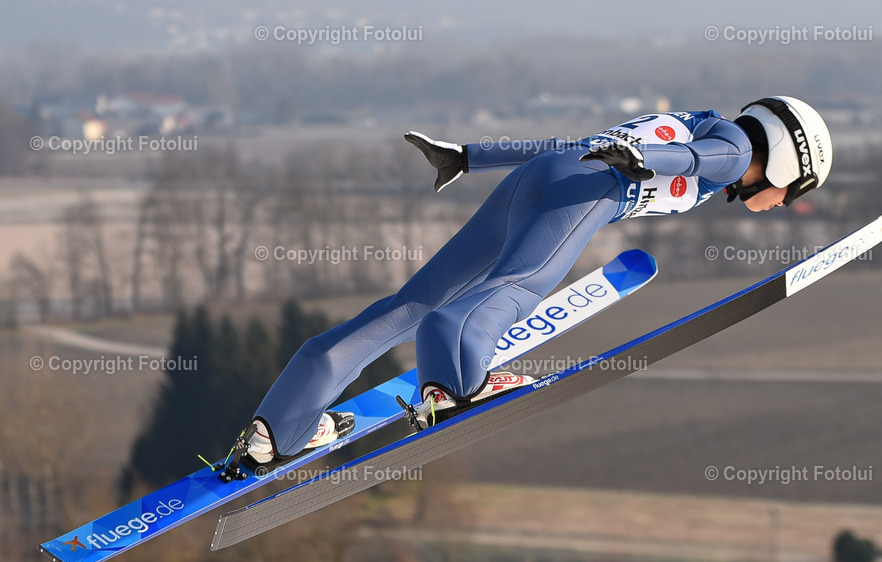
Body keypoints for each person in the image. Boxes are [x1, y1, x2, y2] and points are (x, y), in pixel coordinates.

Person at [241, 96, 833, 462]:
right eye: (794, 190)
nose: (783, 203)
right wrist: (646, 164)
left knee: (412, 303)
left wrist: (471, 155)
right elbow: (708, 164)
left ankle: (279, 429)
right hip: (586, 191)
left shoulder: (697, 122)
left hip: (537, 177)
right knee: (518, 288)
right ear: (784, 160)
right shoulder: (726, 149)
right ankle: (451, 387)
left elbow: (565, 148)